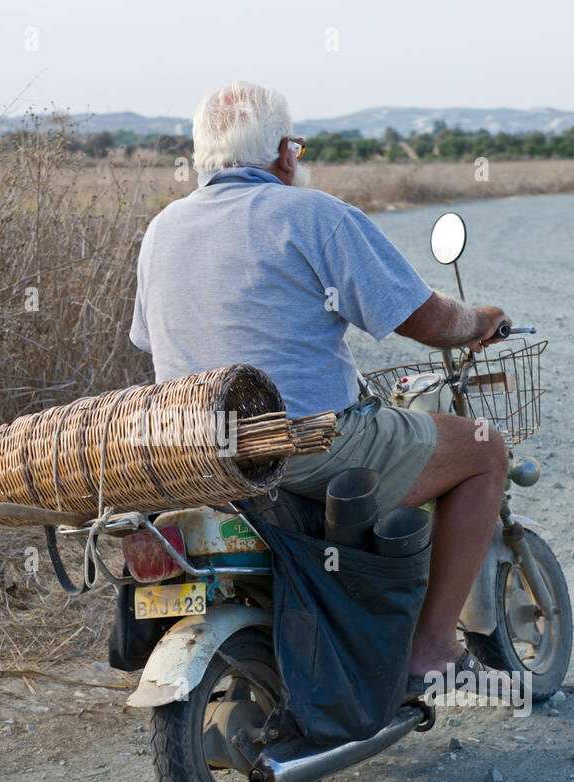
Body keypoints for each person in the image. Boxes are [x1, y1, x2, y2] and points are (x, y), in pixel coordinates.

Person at [129, 81, 510, 686]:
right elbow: (427, 319)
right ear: (286, 152)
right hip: (303, 444)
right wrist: (479, 321)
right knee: (485, 449)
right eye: (297, 147)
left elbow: (155, 343)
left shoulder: (161, 230)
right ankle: (432, 648)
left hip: (194, 449)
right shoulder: (313, 215)